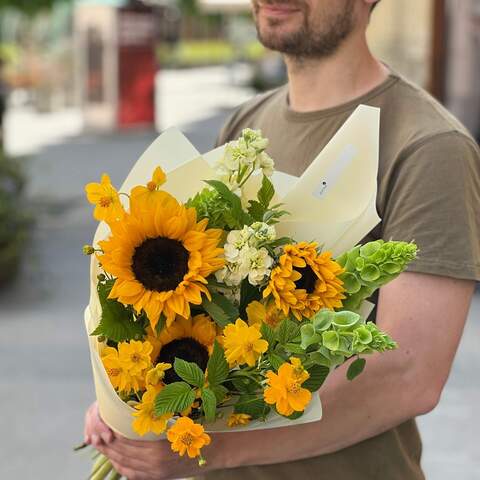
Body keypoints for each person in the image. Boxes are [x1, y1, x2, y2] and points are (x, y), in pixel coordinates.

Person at [84, 1, 480, 479]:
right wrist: (128, 403)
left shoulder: (428, 146)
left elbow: (409, 376)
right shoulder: (246, 124)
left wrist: (207, 449)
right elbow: (190, 314)